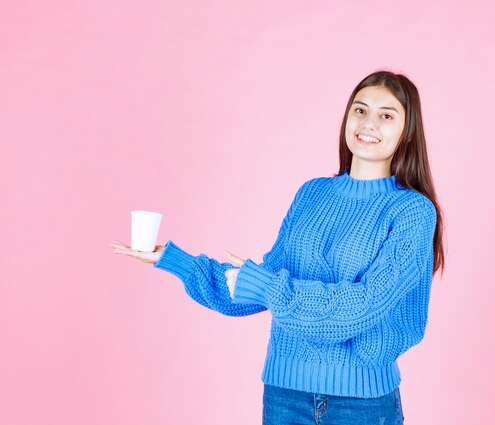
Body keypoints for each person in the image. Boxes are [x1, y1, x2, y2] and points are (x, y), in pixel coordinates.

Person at [111, 70, 445, 425]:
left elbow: (361, 306)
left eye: (386, 115)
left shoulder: (413, 212)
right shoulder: (311, 193)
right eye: (360, 110)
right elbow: (263, 284)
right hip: (284, 396)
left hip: (361, 405)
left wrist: (266, 285)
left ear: (407, 133)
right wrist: (173, 260)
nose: (369, 123)